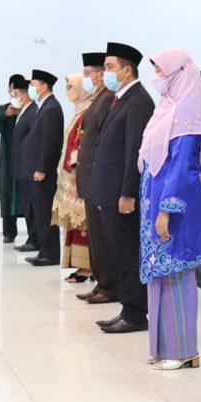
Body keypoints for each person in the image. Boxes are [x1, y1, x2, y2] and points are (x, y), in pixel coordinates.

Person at [139, 50, 201, 370]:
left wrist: (166, 210)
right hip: (155, 202)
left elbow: (182, 168)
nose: (157, 77)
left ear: (179, 73)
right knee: (160, 276)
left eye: (161, 71)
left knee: (176, 273)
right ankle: (163, 348)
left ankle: (184, 351)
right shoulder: (166, 109)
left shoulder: (187, 115)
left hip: (174, 208)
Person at [89, 42, 154, 334]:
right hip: (109, 192)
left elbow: (134, 151)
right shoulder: (121, 98)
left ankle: (136, 314)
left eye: (110, 67)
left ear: (127, 71)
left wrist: (128, 192)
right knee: (120, 252)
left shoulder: (138, 100)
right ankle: (128, 308)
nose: (106, 72)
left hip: (121, 195)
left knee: (129, 254)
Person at [75, 53, 116, 303]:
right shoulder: (97, 98)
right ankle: (102, 282)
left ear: (102, 74)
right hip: (89, 177)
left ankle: (109, 285)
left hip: (97, 177)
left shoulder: (108, 98)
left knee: (103, 238)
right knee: (96, 237)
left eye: (89, 73)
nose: (85, 78)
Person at [21, 69, 64, 266]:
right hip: (36, 171)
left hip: (42, 174)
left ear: (44, 86)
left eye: (33, 84)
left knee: (46, 213)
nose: (31, 88)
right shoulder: (44, 106)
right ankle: (44, 251)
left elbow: (50, 143)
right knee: (40, 212)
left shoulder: (52, 109)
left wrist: (42, 168)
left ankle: (51, 254)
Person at [54, 72, 92, 280]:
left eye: (71, 87)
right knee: (75, 224)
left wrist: (75, 175)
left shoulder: (88, 112)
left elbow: (80, 146)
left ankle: (87, 266)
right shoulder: (80, 111)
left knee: (83, 225)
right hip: (71, 177)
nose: (68, 91)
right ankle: (78, 265)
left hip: (78, 177)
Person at [0, 73, 28, 243]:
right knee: (8, 194)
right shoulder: (4, 108)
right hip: (9, 160)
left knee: (27, 196)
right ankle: (9, 232)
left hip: (26, 160)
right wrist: (6, 114)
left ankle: (33, 234)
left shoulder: (30, 108)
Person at [10, 79, 39, 251]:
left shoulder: (33, 112)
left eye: (16, 94)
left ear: (25, 94)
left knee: (33, 206)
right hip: (21, 168)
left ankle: (35, 239)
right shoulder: (23, 112)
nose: (14, 98)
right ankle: (32, 237)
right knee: (27, 205)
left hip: (29, 168)